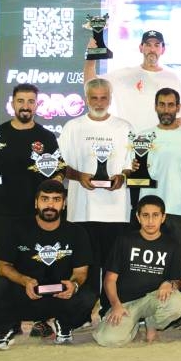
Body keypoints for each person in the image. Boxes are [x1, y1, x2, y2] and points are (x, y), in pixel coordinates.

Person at [0, 83, 60, 338]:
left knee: (43, 265)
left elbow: (55, 173)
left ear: (37, 105)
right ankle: (10, 320)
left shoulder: (46, 137)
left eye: (30, 101)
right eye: (21, 101)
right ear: (12, 103)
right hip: (4, 214)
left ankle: (42, 320)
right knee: (7, 267)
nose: (25, 106)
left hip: (37, 217)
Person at [0, 179, 97, 350]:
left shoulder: (77, 233)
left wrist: (73, 285)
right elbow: (2, 266)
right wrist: (25, 281)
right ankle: (3, 331)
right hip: (26, 295)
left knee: (89, 292)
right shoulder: (16, 229)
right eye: (45, 199)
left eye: (56, 199)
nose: (50, 204)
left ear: (64, 204)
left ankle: (64, 325)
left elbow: (81, 272)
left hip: (59, 298)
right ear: (36, 202)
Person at [59, 77, 135, 299]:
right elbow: (61, 165)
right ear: (86, 99)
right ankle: (82, 312)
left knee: (113, 265)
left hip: (116, 210)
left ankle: (107, 309)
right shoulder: (73, 127)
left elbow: (132, 165)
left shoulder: (124, 127)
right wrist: (78, 175)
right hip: (82, 210)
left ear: (110, 99)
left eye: (104, 98)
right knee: (85, 264)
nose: (99, 103)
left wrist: (122, 176)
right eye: (95, 98)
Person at [93, 195, 181, 347]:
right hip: (125, 303)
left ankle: (151, 323)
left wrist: (169, 284)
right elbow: (109, 280)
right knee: (108, 340)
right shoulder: (124, 240)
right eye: (145, 215)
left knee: (179, 304)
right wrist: (116, 305)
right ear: (138, 217)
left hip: (153, 299)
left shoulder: (172, 245)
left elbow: (178, 280)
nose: (150, 221)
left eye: (155, 215)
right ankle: (132, 326)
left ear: (163, 217)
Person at [136, 88, 181, 260]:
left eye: (171, 105)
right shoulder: (142, 136)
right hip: (149, 210)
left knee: (178, 261)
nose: (166, 110)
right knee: (148, 263)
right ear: (155, 107)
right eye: (162, 105)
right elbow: (133, 172)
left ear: (178, 107)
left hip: (179, 210)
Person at [84, 29, 181, 132]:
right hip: (129, 142)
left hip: (160, 143)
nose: (152, 49)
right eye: (148, 45)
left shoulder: (172, 78)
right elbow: (90, 85)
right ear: (141, 48)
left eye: (156, 45)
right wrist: (91, 60)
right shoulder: (124, 75)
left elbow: (180, 119)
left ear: (163, 49)